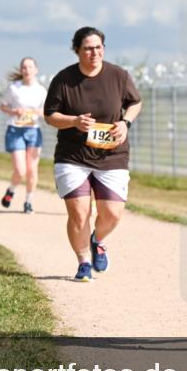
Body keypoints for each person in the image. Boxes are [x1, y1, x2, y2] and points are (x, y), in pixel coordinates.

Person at [43, 27, 142, 282]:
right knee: (79, 213)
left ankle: (97, 240)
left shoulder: (118, 75)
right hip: (72, 155)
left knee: (112, 213)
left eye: (98, 47)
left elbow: (135, 102)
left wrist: (125, 123)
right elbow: (50, 116)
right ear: (77, 50)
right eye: (88, 48)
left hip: (112, 154)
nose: (94, 52)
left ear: (104, 49)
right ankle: (83, 261)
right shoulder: (64, 80)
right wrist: (74, 121)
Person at [0, 57, 47, 214]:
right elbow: (3, 106)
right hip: (15, 129)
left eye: (30, 67)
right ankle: (11, 190)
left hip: (33, 130)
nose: (27, 70)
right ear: (21, 70)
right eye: (24, 67)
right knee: (21, 170)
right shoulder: (14, 88)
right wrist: (14, 111)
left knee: (32, 169)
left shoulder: (41, 90)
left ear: (36, 70)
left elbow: (46, 111)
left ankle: (28, 201)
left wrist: (38, 112)